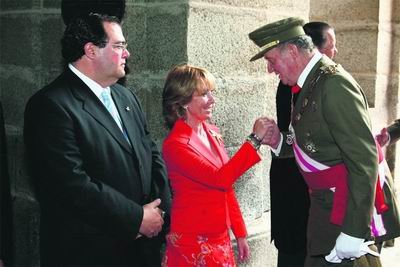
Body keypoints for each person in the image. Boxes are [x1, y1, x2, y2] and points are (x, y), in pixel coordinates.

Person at [24, 13, 171, 266]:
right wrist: (136, 218)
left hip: (141, 249)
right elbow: (71, 185)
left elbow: (151, 153)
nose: (127, 54)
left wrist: (159, 213)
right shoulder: (50, 105)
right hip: (90, 251)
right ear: (91, 50)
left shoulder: (126, 97)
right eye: (119, 46)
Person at [249, 17, 382, 266]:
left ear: (291, 51)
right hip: (323, 211)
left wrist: (353, 231)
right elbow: (316, 145)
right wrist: (279, 142)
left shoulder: (333, 84)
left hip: (341, 213)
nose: (270, 69)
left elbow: (364, 160)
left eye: (271, 60)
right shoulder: (311, 82)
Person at [161, 64, 270, 266]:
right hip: (192, 241)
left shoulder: (212, 132)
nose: (213, 99)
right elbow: (220, 178)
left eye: (212, 92)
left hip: (220, 238)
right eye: (204, 94)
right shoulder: (175, 145)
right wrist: (254, 140)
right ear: (184, 101)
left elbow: (226, 188)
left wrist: (240, 232)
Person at [270, 21, 337, 267]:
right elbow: (294, 136)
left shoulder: (324, 82)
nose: (335, 53)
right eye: (332, 46)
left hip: (310, 195)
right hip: (296, 192)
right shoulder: (294, 83)